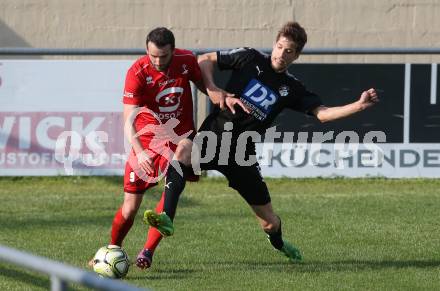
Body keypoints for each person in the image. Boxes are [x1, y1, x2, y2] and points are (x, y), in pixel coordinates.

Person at [143, 21, 379, 263]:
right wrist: (213, 89)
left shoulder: (292, 88)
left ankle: (279, 243)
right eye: (279, 47)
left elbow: (322, 114)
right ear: (274, 44)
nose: (282, 54)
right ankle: (167, 219)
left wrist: (359, 106)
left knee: (269, 221)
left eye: (289, 51)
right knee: (183, 150)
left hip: (242, 155)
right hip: (214, 137)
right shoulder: (249, 57)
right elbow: (204, 59)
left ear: (296, 55)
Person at [90, 27, 206, 270]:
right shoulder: (137, 72)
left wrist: (220, 96)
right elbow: (128, 118)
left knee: (175, 176)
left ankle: (147, 251)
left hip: (178, 137)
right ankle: (112, 249)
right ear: (146, 50)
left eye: (163, 56)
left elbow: (205, 82)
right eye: (153, 55)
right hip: (147, 141)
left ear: (173, 51)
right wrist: (140, 151)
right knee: (130, 207)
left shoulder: (186, 61)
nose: (158, 61)